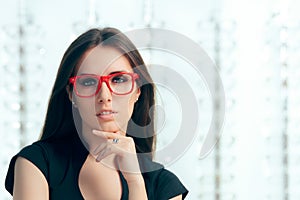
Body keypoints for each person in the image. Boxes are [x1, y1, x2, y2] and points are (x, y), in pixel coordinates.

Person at [5, 27, 188, 200]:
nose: (104, 95)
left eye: (118, 79)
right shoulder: (37, 164)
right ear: (71, 94)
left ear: (138, 90)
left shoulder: (164, 187)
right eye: (88, 82)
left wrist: (136, 184)